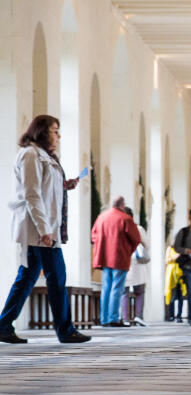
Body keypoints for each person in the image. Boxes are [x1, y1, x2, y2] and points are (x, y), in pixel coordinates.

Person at [0, 115, 90, 344]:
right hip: (38, 229)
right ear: (41, 131)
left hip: (45, 227)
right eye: (54, 131)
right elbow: (32, 194)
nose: (58, 136)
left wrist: (64, 185)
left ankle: (3, 325)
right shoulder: (30, 155)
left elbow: (45, 189)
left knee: (27, 278)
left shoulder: (45, 156)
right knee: (57, 277)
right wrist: (44, 230)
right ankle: (65, 330)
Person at [92, 196, 141, 327]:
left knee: (106, 288)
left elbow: (94, 235)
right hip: (119, 257)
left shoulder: (102, 217)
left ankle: (104, 319)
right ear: (122, 205)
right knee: (117, 288)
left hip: (105, 257)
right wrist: (128, 250)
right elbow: (136, 238)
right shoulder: (125, 218)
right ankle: (113, 318)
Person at [121, 207, 149, 326]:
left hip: (125, 260)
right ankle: (138, 315)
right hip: (137, 261)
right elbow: (147, 244)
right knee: (140, 290)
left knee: (124, 291)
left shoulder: (119, 229)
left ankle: (125, 318)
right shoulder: (138, 228)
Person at [164, 246, 185, 322]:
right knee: (172, 296)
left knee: (181, 297)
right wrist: (175, 257)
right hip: (171, 275)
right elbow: (167, 260)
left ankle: (179, 315)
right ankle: (171, 315)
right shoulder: (170, 249)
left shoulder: (182, 249)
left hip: (180, 273)